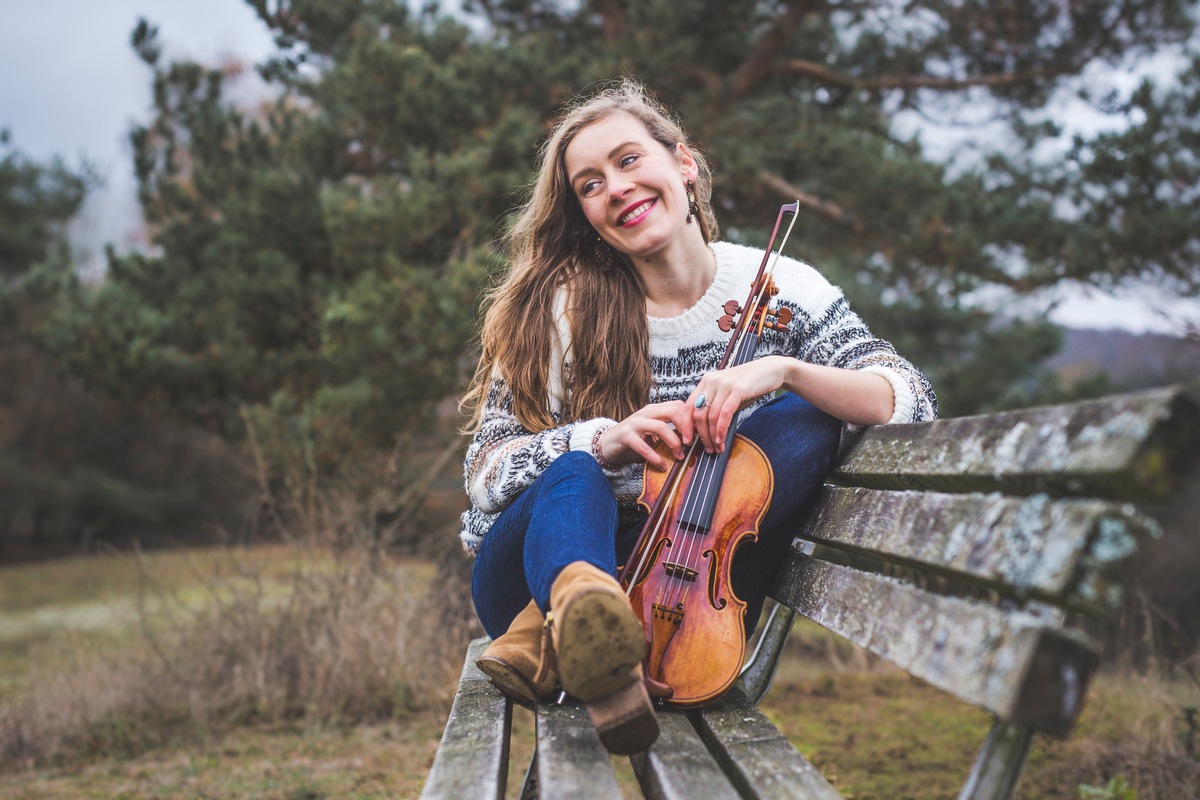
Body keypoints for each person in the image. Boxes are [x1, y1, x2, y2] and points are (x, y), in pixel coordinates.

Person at [458, 80, 937, 754]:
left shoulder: (780, 290)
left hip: (688, 590)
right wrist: (604, 441)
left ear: (683, 162)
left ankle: (588, 649)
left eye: (628, 161)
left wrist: (785, 370)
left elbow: (907, 397)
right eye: (589, 184)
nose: (614, 188)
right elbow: (485, 471)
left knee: (810, 413)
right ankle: (582, 624)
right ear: (585, 214)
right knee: (574, 469)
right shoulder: (558, 312)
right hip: (529, 577)